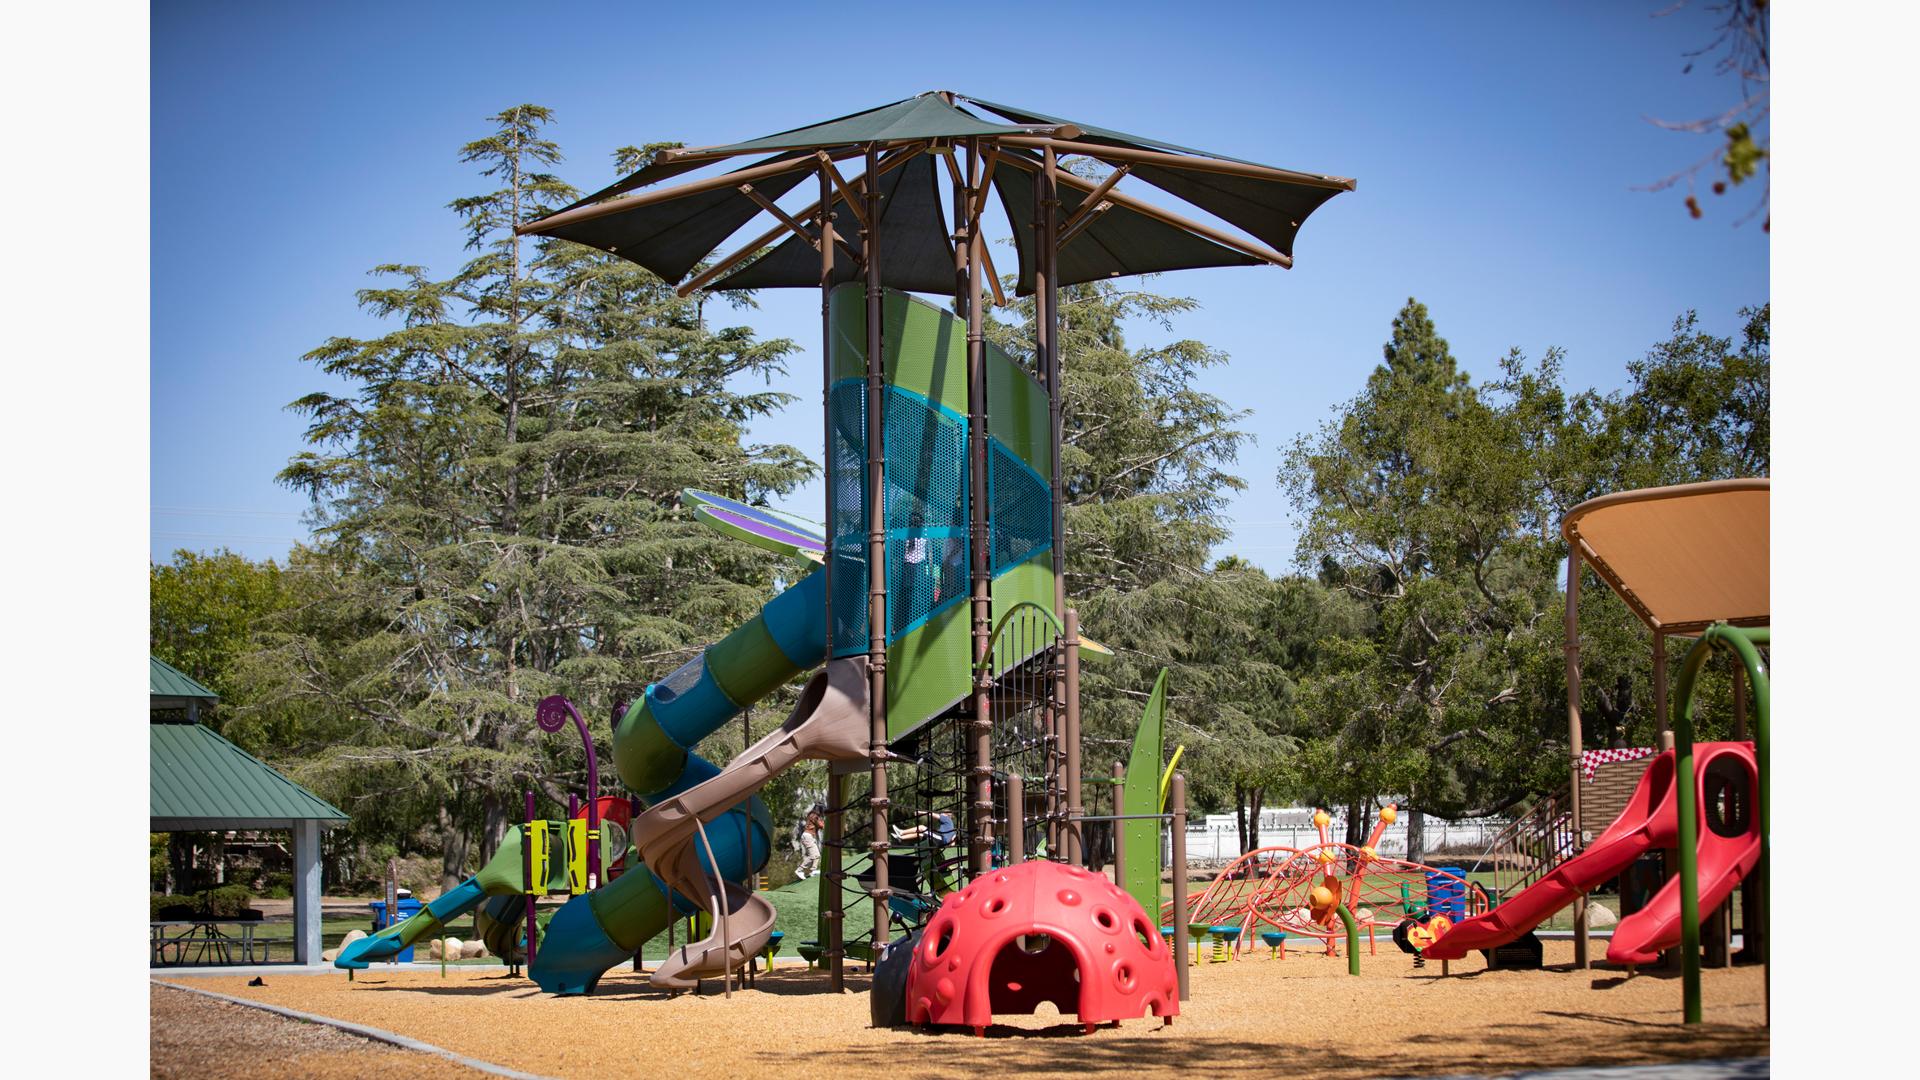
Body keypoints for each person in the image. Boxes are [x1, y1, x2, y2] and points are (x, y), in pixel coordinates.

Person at [795, 811, 822, 880]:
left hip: (810, 837)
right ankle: (799, 870)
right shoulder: (814, 816)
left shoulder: (814, 816)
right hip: (808, 837)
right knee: (812, 856)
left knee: (817, 855)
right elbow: (821, 825)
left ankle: (813, 871)